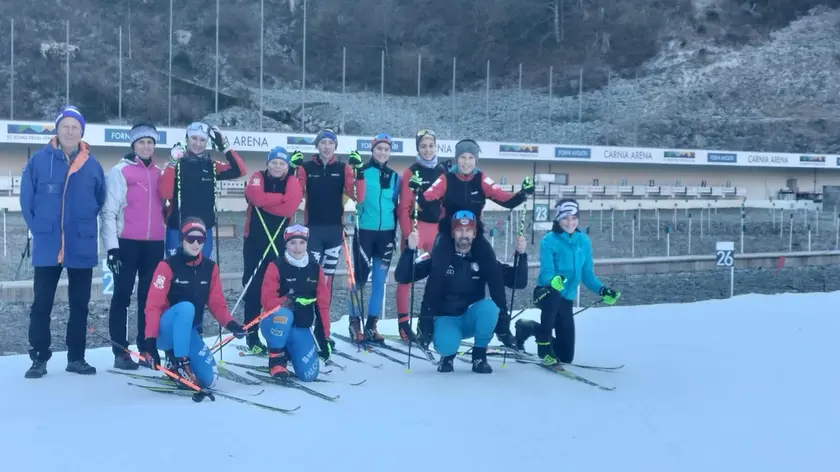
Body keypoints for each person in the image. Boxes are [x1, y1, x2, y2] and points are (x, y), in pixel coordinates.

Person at [19, 105, 106, 379]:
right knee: (42, 303)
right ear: (57, 129)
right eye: (65, 126)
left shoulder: (92, 164)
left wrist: (81, 223)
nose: (70, 131)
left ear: (82, 132)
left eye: (75, 127)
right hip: (48, 243)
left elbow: (99, 199)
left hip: (81, 242)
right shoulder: (39, 161)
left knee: (79, 304)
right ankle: (39, 358)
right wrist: (41, 228)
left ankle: (76, 358)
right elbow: (26, 199)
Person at [421, 139, 534, 347]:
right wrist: (418, 190)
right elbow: (427, 198)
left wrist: (523, 193)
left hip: (474, 235)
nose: (466, 162)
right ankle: (425, 326)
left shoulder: (481, 179)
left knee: (493, 271)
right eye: (462, 157)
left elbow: (505, 199)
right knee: (437, 271)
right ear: (457, 159)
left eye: (471, 158)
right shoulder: (446, 178)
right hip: (448, 234)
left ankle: (502, 327)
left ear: (476, 159)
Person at [395, 211, 528, 374]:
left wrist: (521, 256)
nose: (464, 235)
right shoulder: (438, 256)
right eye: (459, 230)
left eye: (468, 231)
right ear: (452, 233)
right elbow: (403, 276)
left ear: (474, 234)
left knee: (490, 308)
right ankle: (448, 356)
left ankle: (479, 356)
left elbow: (518, 282)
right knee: (446, 345)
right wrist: (409, 250)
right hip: (447, 318)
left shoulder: (483, 259)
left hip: (471, 317)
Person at [515, 198, 621, 369]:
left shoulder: (583, 241)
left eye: (574, 218)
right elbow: (546, 272)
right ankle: (545, 349)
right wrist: (553, 280)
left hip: (565, 300)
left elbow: (587, 276)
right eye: (565, 218)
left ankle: (528, 328)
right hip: (545, 293)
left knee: (566, 356)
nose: (570, 222)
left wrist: (603, 290)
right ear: (558, 219)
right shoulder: (549, 241)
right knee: (554, 296)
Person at [142, 217, 246, 389]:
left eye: (201, 239)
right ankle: (182, 364)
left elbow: (217, 304)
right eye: (191, 239)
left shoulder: (210, 268)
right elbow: (153, 306)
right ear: (182, 239)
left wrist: (231, 324)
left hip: (188, 332)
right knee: (186, 307)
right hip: (165, 333)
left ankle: (174, 362)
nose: (196, 244)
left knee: (209, 379)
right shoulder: (167, 266)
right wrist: (150, 343)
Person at [100, 122, 166, 370]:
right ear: (134, 145)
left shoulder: (160, 173)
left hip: (154, 245)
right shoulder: (120, 171)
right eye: (141, 142)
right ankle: (120, 351)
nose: (146, 146)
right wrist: (112, 248)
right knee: (122, 297)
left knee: (149, 299)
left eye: (150, 142)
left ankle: (147, 348)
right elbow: (108, 212)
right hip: (127, 243)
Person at [241, 146, 303, 354]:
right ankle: (251, 334)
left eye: (282, 163)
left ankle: (276, 332)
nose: (277, 166)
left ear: (287, 166)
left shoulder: (292, 181)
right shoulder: (258, 176)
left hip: (278, 241)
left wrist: (268, 200)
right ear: (268, 163)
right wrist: (278, 199)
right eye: (274, 162)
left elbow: (289, 208)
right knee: (253, 288)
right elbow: (255, 198)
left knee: (278, 289)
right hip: (255, 241)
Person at [289, 128, 364, 291]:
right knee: (312, 276)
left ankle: (324, 316)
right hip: (313, 229)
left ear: (335, 146)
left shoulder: (343, 168)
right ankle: (310, 314)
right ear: (317, 145)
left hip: (334, 231)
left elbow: (357, 196)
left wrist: (360, 171)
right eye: (323, 142)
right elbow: (294, 196)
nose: (327, 146)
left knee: (327, 279)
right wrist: (291, 171)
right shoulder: (306, 167)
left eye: (331, 143)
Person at [159, 122, 246, 257]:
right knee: (174, 273)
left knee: (203, 273)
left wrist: (225, 147)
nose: (197, 144)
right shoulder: (176, 163)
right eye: (194, 138)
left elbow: (240, 171)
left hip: (203, 229)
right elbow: (165, 193)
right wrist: (171, 164)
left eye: (202, 140)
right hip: (178, 228)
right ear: (186, 139)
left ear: (207, 142)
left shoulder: (212, 165)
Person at [259, 224, 334, 381]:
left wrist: (325, 336)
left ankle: (290, 350)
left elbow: (323, 304)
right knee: (284, 315)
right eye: (293, 243)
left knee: (309, 375)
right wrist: (287, 301)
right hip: (274, 323)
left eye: (302, 243)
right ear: (286, 244)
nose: (297, 248)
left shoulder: (315, 269)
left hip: (300, 327)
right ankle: (276, 360)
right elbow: (266, 301)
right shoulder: (276, 266)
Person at [349, 133, 400, 344]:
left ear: (389, 153)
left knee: (380, 281)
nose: (382, 152)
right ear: (372, 151)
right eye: (379, 149)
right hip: (365, 233)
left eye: (386, 150)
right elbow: (352, 197)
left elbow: (398, 204)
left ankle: (371, 325)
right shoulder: (362, 172)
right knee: (359, 281)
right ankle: (354, 323)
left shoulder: (395, 176)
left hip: (386, 233)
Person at [394, 129, 445, 342]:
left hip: (436, 230)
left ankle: (429, 320)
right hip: (416, 228)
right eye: (423, 146)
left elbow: (444, 204)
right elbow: (403, 207)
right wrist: (408, 235)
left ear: (436, 147)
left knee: (439, 275)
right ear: (418, 148)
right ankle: (403, 323)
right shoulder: (410, 172)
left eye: (431, 145)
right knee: (407, 277)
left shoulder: (443, 171)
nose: (427, 149)